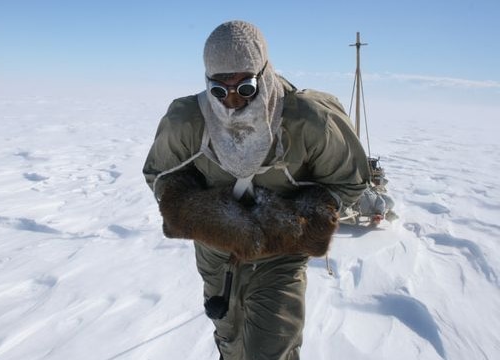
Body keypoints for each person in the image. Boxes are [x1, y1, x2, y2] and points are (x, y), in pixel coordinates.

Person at [143, 20, 369, 360]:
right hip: (215, 255)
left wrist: (294, 223)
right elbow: (161, 176)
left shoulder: (309, 121)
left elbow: (348, 180)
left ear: (263, 74)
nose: (232, 100)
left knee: (271, 350)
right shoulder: (187, 121)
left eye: (245, 88)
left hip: (281, 255)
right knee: (229, 336)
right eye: (219, 90)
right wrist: (204, 216)